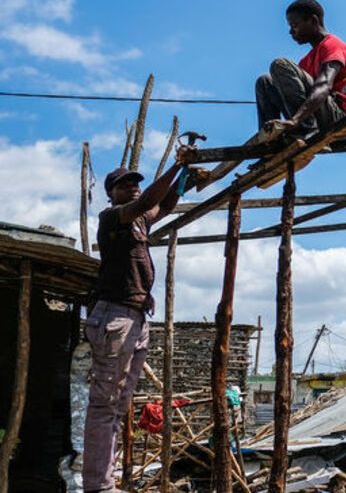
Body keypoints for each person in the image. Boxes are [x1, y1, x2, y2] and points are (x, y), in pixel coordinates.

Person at [83, 147, 194, 493]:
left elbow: (165, 206)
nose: (132, 187)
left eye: (135, 183)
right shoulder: (111, 217)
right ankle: (97, 485)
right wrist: (177, 164)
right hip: (114, 317)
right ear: (111, 194)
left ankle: (105, 480)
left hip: (135, 316)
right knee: (105, 404)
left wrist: (185, 177)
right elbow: (148, 201)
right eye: (124, 185)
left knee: (119, 405)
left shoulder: (140, 220)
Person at [255, 0, 346, 137]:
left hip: (340, 120)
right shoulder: (305, 61)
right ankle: (270, 137)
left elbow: (324, 86)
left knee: (280, 64)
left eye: (294, 25)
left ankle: (305, 129)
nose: (291, 32)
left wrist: (296, 120)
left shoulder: (333, 46)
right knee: (265, 81)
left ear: (313, 21)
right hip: (318, 116)